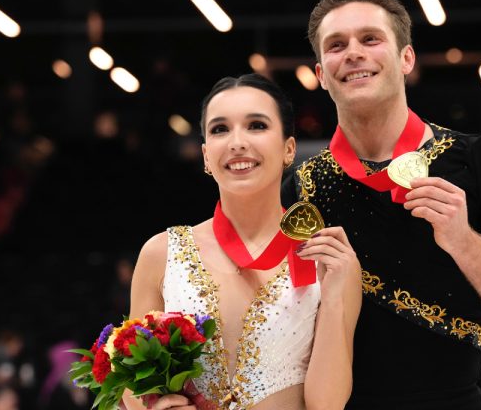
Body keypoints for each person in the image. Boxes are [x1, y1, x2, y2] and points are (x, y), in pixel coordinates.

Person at [281, 0, 481, 408]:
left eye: (370, 39)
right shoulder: (300, 189)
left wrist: (464, 241)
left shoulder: (475, 160)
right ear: (321, 73)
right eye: (336, 45)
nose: (354, 52)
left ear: (406, 58)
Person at [124, 73, 362, 410]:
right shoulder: (161, 253)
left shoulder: (328, 258)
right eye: (220, 129)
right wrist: (150, 406)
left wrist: (336, 296)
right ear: (206, 155)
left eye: (256, 126)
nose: (237, 142)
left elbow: (326, 404)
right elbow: (132, 382)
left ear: (288, 148)